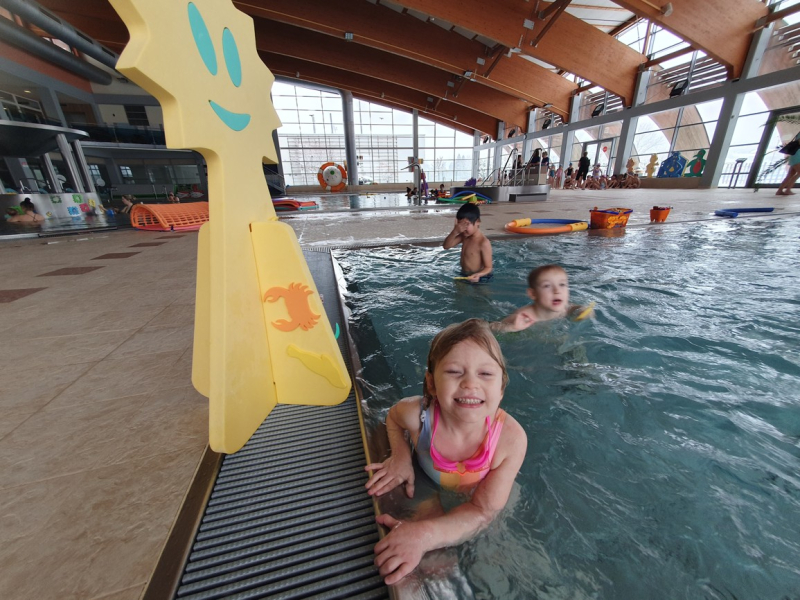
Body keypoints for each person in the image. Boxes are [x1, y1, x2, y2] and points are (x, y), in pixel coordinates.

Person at [364, 318, 527, 585]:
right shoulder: (418, 416)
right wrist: (401, 458)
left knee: (493, 556)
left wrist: (424, 535)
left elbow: (483, 511)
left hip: (484, 496)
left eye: (486, 374)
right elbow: (393, 417)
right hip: (429, 482)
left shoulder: (510, 440)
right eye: (454, 371)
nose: (470, 384)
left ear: (501, 388)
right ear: (431, 383)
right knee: (433, 566)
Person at [490, 264, 593, 333]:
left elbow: (576, 308)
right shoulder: (524, 316)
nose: (557, 290)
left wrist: (584, 311)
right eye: (547, 286)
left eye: (562, 284)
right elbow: (492, 328)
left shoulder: (565, 308)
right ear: (533, 293)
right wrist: (511, 328)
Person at [442, 203, 493, 284]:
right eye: (460, 225)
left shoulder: (483, 242)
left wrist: (478, 275)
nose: (463, 228)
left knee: (481, 292)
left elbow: (488, 267)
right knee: (459, 291)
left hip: (480, 277)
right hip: (464, 274)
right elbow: (446, 246)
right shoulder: (464, 236)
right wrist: (455, 231)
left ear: (478, 222)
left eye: (467, 224)